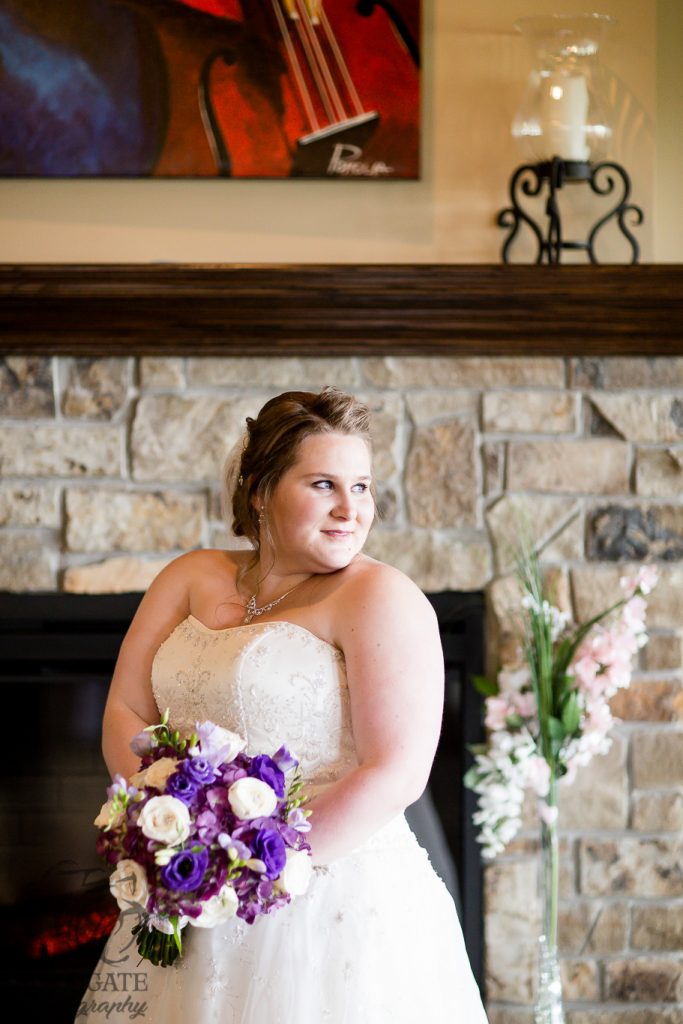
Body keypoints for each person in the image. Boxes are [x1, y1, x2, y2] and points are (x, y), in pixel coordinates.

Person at [76, 387, 489, 1023]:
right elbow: (125, 710)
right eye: (324, 484)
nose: (351, 509)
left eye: (362, 486)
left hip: (324, 901)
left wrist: (246, 869)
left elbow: (396, 772)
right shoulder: (189, 576)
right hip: (183, 883)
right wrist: (167, 830)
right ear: (261, 491)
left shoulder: (380, 596)